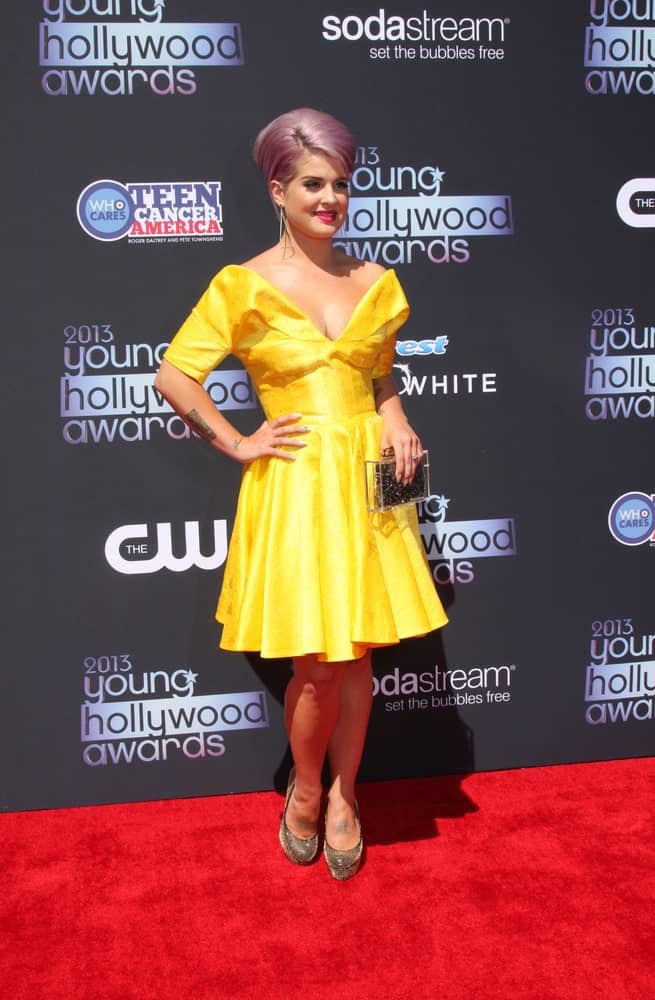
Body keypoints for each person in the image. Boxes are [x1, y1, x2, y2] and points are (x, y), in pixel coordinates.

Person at [155, 108, 447, 880]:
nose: (330, 198)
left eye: (342, 185)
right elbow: (174, 376)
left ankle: (349, 795)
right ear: (278, 188)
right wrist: (239, 441)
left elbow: (378, 375)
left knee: (357, 661)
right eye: (313, 184)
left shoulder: (375, 281)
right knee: (317, 664)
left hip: (365, 485)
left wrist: (397, 418)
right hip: (293, 482)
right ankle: (307, 791)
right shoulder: (242, 285)